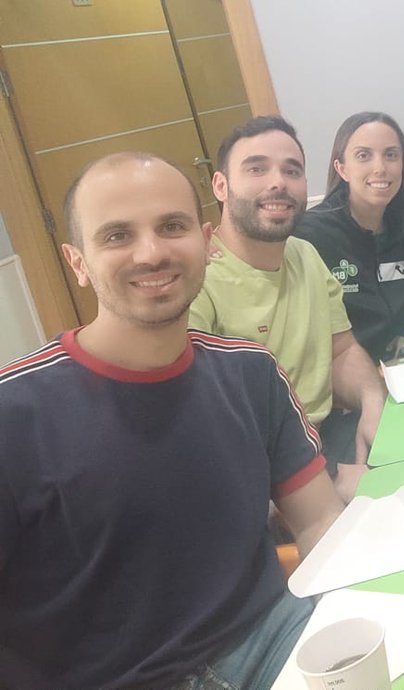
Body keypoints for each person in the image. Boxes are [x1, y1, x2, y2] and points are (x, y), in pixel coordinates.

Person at [0, 153, 342, 688]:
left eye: (172, 226)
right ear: (77, 262)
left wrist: (342, 626)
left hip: (273, 643)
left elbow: (320, 520)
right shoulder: (14, 414)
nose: (151, 252)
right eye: (116, 236)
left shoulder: (250, 374)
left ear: (206, 241)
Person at [189, 116, 386, 501]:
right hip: (263, 476)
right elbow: (205, 440)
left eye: (291, 170)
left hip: (330, 438)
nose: (277, 181)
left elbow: (341, 350)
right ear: (221, 186)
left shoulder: (304, 254)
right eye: (256, 168)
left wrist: (372, 399)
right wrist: (325, 482)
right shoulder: (198, 280)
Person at [295, 112, 404, 362]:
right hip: (349, 382)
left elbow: (400, 309)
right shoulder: (309, 235)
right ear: (342, 169)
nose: (380, 168)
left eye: (391, 155)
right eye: (363, 156)